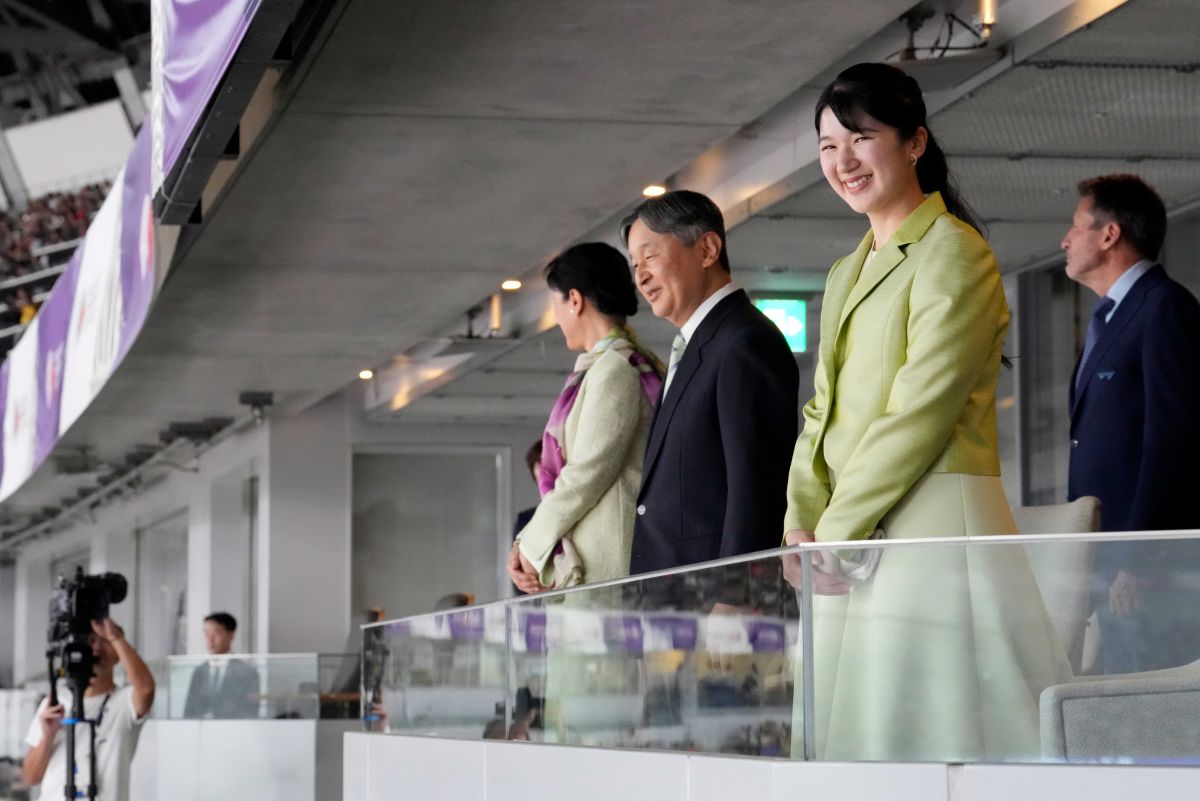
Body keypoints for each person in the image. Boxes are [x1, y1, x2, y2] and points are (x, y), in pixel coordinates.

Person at [781, 62, 1070, 761]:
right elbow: (822, 409)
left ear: (915, 143)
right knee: (850, 742)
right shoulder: (847, 267)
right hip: (849, 534)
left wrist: (837, 534)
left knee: (921, 738)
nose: (842, 161)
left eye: (860, 138)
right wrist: (802, 521)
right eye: (827, 146)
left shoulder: (954, 252)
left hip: (925, 522)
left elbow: (921, 410)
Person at [1062, 174, 1200, 674]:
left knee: (1149, 708)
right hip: (1106, 560)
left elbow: (1175, 445)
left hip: (1143, 568)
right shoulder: (1108, 318)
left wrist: (1142, 560)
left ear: (1109, 234)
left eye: (1075, 227)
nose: (1065, 240)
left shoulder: (1164, 309)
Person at [623, 191, 799, 574]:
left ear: (706, 249)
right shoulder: (695, 345)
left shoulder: (743, 342)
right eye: (634, 264)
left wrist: (735, 593)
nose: (640, 275)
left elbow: (756, 485)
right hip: (677, 595)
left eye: (650, 256)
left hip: (716, 603)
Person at [508, 242, 664, 591]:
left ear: (575, 300)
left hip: (605, 567)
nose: (557, 318)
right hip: (601, 563)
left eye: (556, 305)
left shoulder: (615, 370)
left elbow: (586, 473)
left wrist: (529, 544)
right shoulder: (627, 363)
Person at [22, 619, 154, 801]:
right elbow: (30, 777)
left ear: (118, 655)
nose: (97, 648)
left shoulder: (124, 701)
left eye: (105, 641)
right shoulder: (55, 701)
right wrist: (47, 736)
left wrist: (116, 636)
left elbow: (146, 689)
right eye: (90, 640)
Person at [183, 612, 261, 719]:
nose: (210, 639)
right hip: (202, 731)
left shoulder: (247, 672)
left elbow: (250, 711)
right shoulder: (199, 671)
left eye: (216, 632)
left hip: (233, 730)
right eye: (207, 633)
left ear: (230, 635)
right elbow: (189, 710)